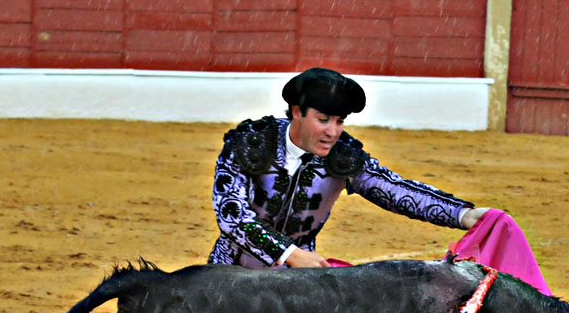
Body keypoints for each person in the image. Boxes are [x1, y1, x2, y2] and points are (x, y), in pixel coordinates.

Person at [209, 67, 491, 268]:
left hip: (296, 284)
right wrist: (289, 254)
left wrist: (463, 214)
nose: (333, 132)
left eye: (340, 121)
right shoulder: (249, 143)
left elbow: (393, 189)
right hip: (228, 275)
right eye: (323, 120)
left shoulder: (342, 156)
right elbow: (232, 216)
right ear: (297, 111)